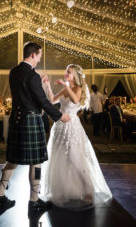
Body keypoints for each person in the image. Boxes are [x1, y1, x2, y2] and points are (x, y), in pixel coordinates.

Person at [0, 42, 70, 219]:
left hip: (16, 121)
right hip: (31, 121)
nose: (40, 58)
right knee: (36, 162)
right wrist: (59, 116)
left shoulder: (14, 72)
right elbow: (42, 100)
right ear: (33, 54)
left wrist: (37, 83)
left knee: (13, 159)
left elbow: (25, 94)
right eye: (40, 55)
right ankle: (34, 200)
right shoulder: (32, 76)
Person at [41, 64, 112, 209]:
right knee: (61, 158)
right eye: (66, 71)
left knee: (75, 159)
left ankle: (88, 191)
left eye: (69, 72)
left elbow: (74, 100)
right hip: (60, 127)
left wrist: (65, 86)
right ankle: (66, 191)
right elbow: (52, 100)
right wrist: (48, 85)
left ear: (76, 76)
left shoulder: (78, 89)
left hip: (72, 127)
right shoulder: (65, 88)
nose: (66, 73)